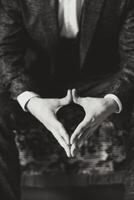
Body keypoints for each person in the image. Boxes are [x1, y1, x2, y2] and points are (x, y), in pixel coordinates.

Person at [0, 0, 134, 199]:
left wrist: (112, 100)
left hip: (103, 77)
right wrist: (30, 100)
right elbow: (5, 51)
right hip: (37, 78)